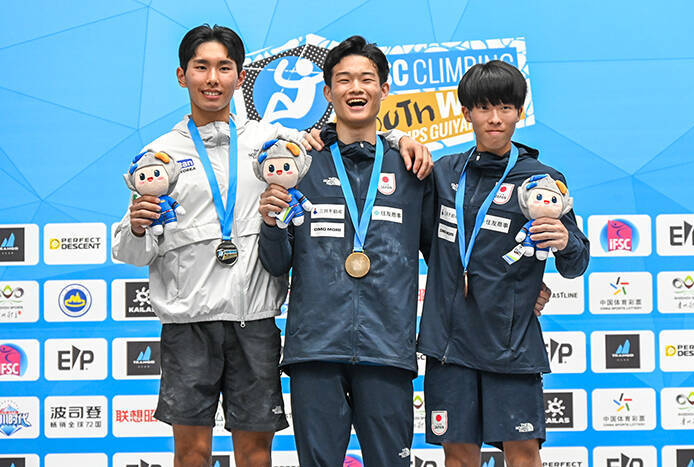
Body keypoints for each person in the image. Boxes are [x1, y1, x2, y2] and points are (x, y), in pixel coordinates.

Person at [112, 25, 430, 467]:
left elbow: (348, 133)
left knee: (255, 454)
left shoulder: (274, 143)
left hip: (254, 322)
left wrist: (398, 138)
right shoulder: (159, 156)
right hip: (189, 325)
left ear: (240, 77)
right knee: (191, 453)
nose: (212, 79)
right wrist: (136, 227)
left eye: (224, 68)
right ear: (182, 75)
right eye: (201, 67)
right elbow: (131, 252)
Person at [257, 35, 434, 466]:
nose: (356, 88)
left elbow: (446, 258)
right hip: (315, 349)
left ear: (384, 89)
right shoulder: (299, 163)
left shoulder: (412, 167)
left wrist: (518, 287)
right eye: (344, 79)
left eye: (367, 79)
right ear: (327, 92)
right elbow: (276, 263)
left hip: (387, 350)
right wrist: (271, 222)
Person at [417, 60, 590, 467]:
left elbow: (576, 263)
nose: (495, 118)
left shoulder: (542, 180)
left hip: (511, 344)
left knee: (524, 454)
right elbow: (423, 245)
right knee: (459, 455)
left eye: (505, 108)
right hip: (449, 344)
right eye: (484, 107)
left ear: (519, 112)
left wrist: (565, 242)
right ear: (466, 112)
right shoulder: (443, 174)